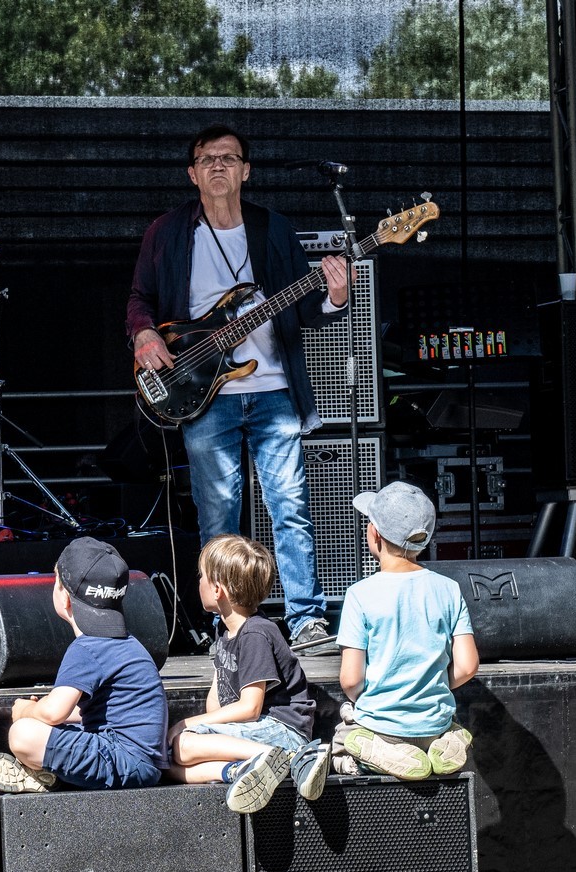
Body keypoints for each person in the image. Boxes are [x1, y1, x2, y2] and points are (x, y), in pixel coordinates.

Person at [125, 124, 350, 656]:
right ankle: (225, 625)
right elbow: (140, 298)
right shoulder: (169, 231)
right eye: (208, 159)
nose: (219, 167)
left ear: (246, 171)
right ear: (193, 173)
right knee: (218, 514)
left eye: (229, 158)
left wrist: (337, 296)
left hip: (273, 390)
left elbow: (307, 309)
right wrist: (144, 334)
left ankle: (307, 619)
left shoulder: (274, 229)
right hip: (204, 392)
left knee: (290, 506)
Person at [0, 536, 169, 793]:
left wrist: (25, 711)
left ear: (63, 596)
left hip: (123, 760)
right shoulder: (128, 644)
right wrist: (43, 710)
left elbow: (54, 712)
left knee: (23, 733)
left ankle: (46, 773)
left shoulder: (87, 647)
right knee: (56, 726)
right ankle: (53, 775)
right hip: (141, 762)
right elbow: (100, 711)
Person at [167, 533, 330, 814]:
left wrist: (188, 723)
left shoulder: (256, 633)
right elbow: (220, 701)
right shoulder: (225, 630)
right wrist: (205, 722)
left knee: (183, 742)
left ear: (217, 589)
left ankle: (291, 759)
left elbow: (250, 708)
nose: (199, 583)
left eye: (202, 576)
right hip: (257, 732)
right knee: (167, 761)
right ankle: (238, 770)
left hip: (282, 730)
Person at [331, 482, 478, 780]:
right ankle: (448, 739)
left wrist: (378, 699)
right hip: (434, 725)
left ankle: (382, 753)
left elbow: (350, 679)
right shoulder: (449, 589)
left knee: (342, 744)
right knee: (445, 726)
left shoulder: (360, 594)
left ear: (374, 534)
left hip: (382, 726)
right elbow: (467, 666)